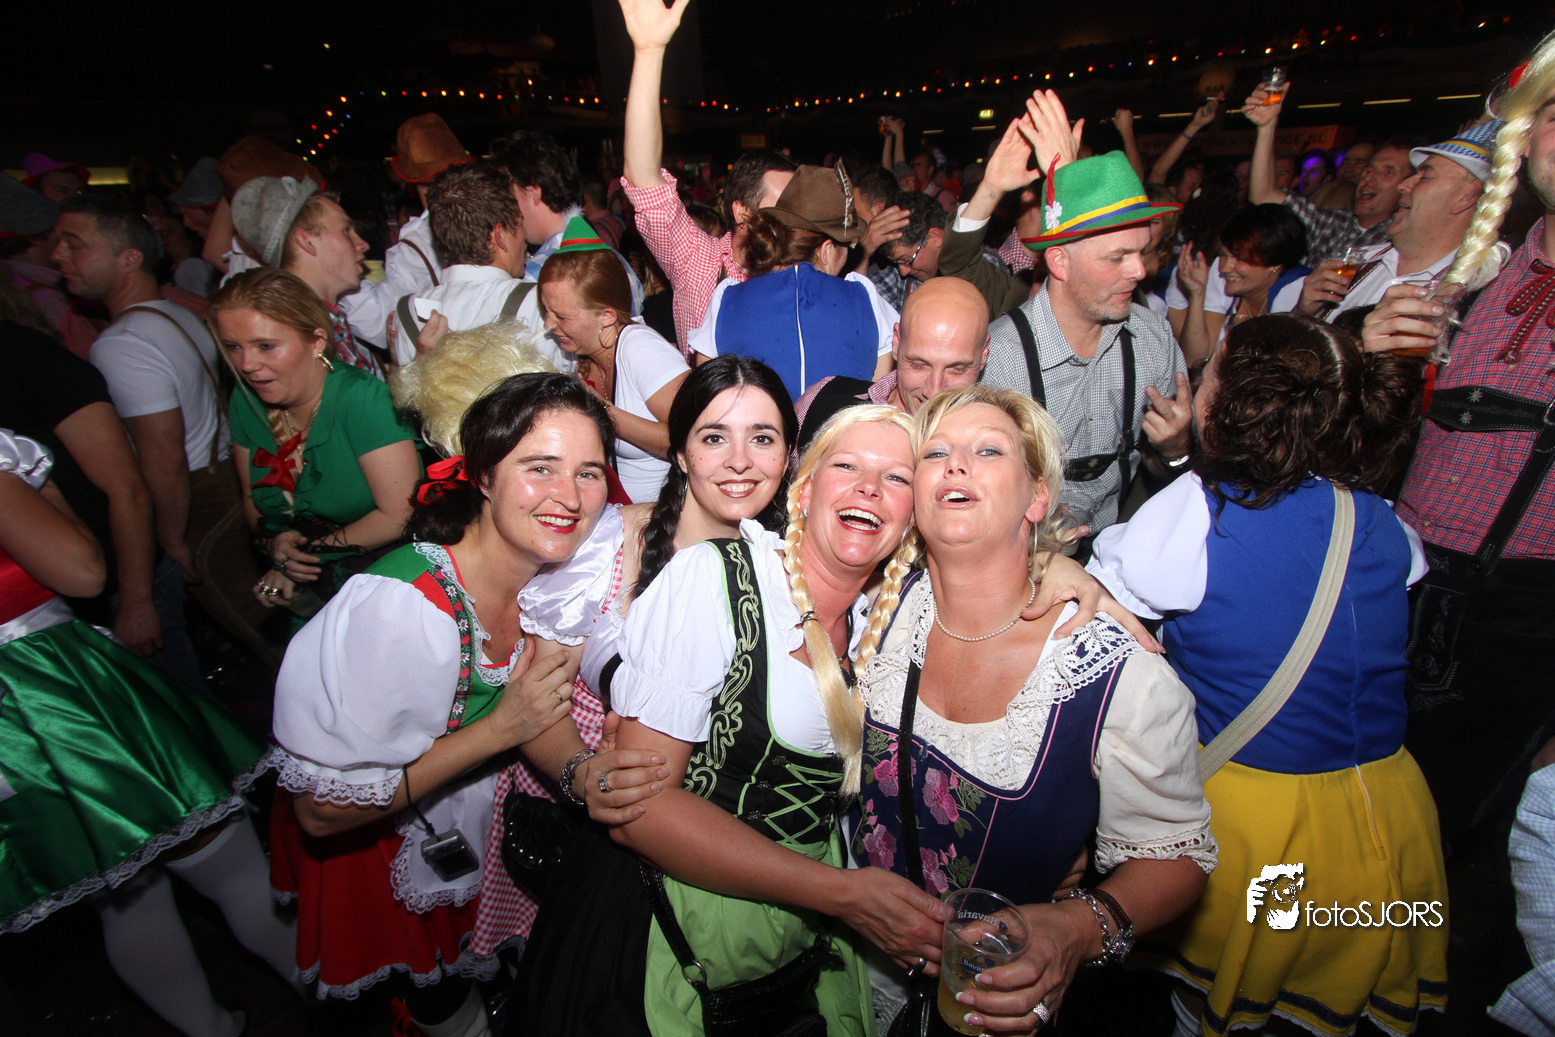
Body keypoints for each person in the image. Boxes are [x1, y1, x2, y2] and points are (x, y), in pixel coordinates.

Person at [1088, 314, 1447, 1036]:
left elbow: (1103, 612)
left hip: (1257, 823)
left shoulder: (1198, 512)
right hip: (1389, 813)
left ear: (1226, 404)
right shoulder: (1379, 517)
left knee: (1212, 1006)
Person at [853, 385, 1215, 1033]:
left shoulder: (1112, 672)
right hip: (845, 973)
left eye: (988, 451)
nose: (956, 465)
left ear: (1037, 497)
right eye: (935, 452)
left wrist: (1075, 927)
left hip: (991, 1002)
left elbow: (1176, 858)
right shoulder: (878, 605)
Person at [267, 373, 615, 1035]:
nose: (569, 497)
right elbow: (320, 811)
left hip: (479, 829)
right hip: (382, 847)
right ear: (481, 475)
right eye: (540, 467)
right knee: (445, 1004)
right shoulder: (402, 607)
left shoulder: (558, 578)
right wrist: (502, 729)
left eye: (589, 472)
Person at [1361, 35, 1555, 1023]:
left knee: (1441, 845)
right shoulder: (1478, 278)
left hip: (1523, 623)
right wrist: (1370, 366)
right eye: (1553, 111)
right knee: (1366, 818)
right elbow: (1380, 452)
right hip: (1403, 588)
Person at [0, 429, 298, 1037]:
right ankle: (344, 994)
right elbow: (82, 571)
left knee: (125, 896)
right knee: (229, 865)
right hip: (50, 694)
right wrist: (44, 492)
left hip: (15, 735)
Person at [975, 92, 1193, 538]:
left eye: (1142, 252)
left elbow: (1168, 475)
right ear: (1058, 261)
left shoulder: (1152, 337)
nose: (1139, 271)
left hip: (1120, 544)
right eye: (1117, 257)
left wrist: (1177, 449)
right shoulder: (1000, 359)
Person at [53, 192, 234, 687]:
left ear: (129, 258)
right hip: (222, 485)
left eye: (75, 244)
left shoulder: (123, 343)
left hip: (192, 504)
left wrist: (170, 539)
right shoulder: (177, 314)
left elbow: (163, 456)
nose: (58, 255)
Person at [206, 267, 422, 620]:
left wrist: (305, 556)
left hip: (392, 589)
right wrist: (275, 543)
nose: (246, 364)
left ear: (316, 341)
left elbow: (400, 514)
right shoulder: (246, 402)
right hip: (315, 595)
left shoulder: (362, 400)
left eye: (265, 346)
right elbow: (252, 499)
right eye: (233, 347)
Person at [617, 0, 797, 351]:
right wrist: (649, 53)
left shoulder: (801, 269)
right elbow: (643, 178)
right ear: (743, 213)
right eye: (784, 205)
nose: (797, 215)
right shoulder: (699, 261)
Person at [688, 163, 898, 401]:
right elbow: (879, 402)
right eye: (846, 248)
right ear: (827, 250)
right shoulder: (866, 299)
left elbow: (706, 399)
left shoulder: (726, 300)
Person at [538, 216, 688, 503]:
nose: (548, 324)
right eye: (546, 311)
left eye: (561, 316)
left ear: (606, 316)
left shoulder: (639, 348)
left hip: (667, 514)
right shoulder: (579, 353)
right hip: (621, 515)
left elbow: (688, 439)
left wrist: (604, 412)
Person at [793, 276, 989, 454]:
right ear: (896, 342)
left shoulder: (993, 448)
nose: (934, 391)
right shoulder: (823, 402)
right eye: (919, 365)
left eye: (957, 369)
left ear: (984, 353)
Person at [229, 175, 386, 378]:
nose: (363, 244)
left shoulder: (324, 319)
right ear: (307, 241)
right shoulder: (300, 336)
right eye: (346, 231)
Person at [1175, 203, 1309, 366]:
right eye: (1223, 255)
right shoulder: (1221, 278)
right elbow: (1193, 360)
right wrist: (1197, 294)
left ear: (1274, 263)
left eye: (1240, 259)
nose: (1225, 267)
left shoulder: (1299, 292)